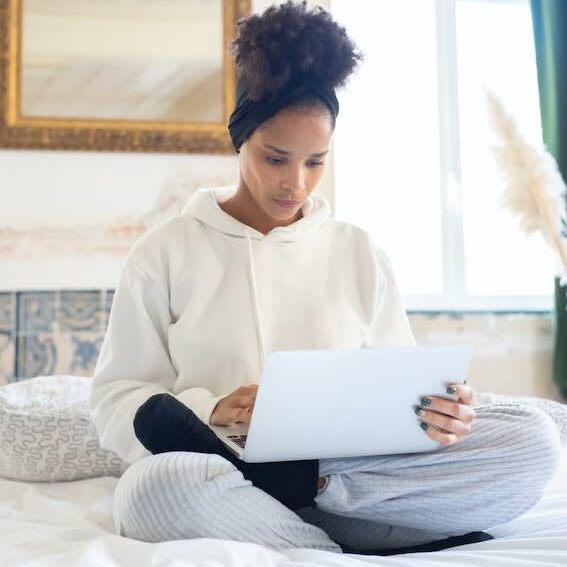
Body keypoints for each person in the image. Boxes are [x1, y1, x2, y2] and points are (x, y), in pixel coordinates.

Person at [89, 0, 563, 555]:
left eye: (316, 161)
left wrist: (440, 413)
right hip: (221, 470)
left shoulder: (360, 252)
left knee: (535, 439)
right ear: (241, 139)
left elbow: (399, 391)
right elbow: (117, 400)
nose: (296, 183)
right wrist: (209, 409)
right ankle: (333, 538)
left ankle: (297, 506)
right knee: (151, 491)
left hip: (346, 477)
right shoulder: (164, 251)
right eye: (276, 158)